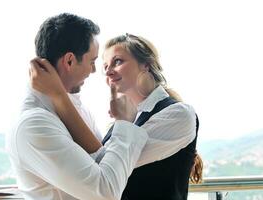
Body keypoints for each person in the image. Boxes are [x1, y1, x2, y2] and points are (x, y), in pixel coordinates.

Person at [30, 33, 203, 200]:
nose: (108, 72)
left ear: (146, 65)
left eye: (117, 61)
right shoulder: (123, 123)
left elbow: (104, 165)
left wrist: (58, 95)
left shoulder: (179, 114)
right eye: (105, 67)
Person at [6, 13, 149, 200]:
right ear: (70, 61)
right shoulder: (34, 123)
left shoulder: (77, 109)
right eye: (92, 61)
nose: (94, 70)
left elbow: (102, 160)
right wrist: (124, 123)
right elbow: (106, 192)